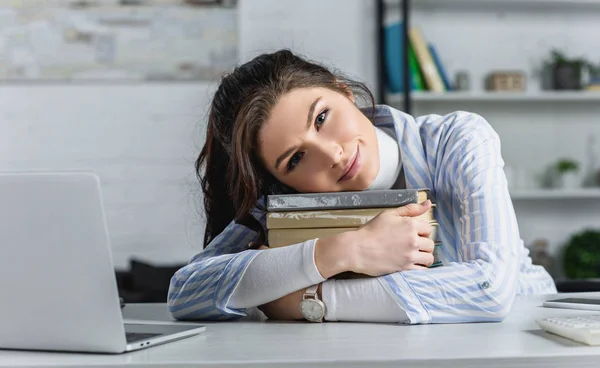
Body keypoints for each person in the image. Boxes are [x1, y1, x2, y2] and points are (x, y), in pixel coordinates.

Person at [167, 49, 556, 324]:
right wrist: (344, 250)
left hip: (527, 336)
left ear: (344, 92)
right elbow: (187, 292)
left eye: (321, 117)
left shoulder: (456, 140)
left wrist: (313, 301)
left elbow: (489, 289)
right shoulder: (287, 203)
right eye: (296, 159)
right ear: (281, 179)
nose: (332, 155)